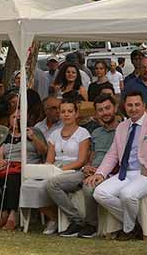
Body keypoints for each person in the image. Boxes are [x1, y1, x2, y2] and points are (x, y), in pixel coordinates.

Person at [85, 91, 147, 241]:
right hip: (125, 173)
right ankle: (135, 224)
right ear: (124, 107)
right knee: (99, 193)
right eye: (130, 105)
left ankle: (128, 230)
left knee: (127, 194)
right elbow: (112, 154)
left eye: (137, 105)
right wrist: (100, 173)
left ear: (143, 106)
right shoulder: (122, 126)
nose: (133, 108)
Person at [46, 93, 120, 239]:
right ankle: (76, 221)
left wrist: (101, 172)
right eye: (100, 110)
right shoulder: (96, 132)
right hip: (89, 170)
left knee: (88, 187)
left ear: (115, 108)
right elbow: (91, 155)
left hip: (109, 173)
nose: (104, 113)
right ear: (96, 113)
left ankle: (91, 225)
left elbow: (121, 157)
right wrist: (86, 166)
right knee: (52, 184)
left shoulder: (122, 130)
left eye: (107, 108)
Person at [20, 99, 91, 235]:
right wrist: (46, 170)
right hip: (55, 168)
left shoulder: (83, 133)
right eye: (63, 111)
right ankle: (53, 218)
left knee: (52, 184)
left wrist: (59, 171)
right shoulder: (54, 134)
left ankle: (76, 221)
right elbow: (49, 160)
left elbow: (81, 161)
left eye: (70, 111)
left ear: (76, 114)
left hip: (75, 170)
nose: (66, 114)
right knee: (29, 185)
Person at [0, 108, 45, 231]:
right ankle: (2, 211)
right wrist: (0, 161)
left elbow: (44, 151)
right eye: (14, 117)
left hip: (26, 167)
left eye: (20, 117)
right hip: (8, 167)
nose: (17, 119)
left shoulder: (34, 131)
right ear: (9, 120)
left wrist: (33, 138)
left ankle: (13, 214)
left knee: (13, 177)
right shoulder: (7, 135)